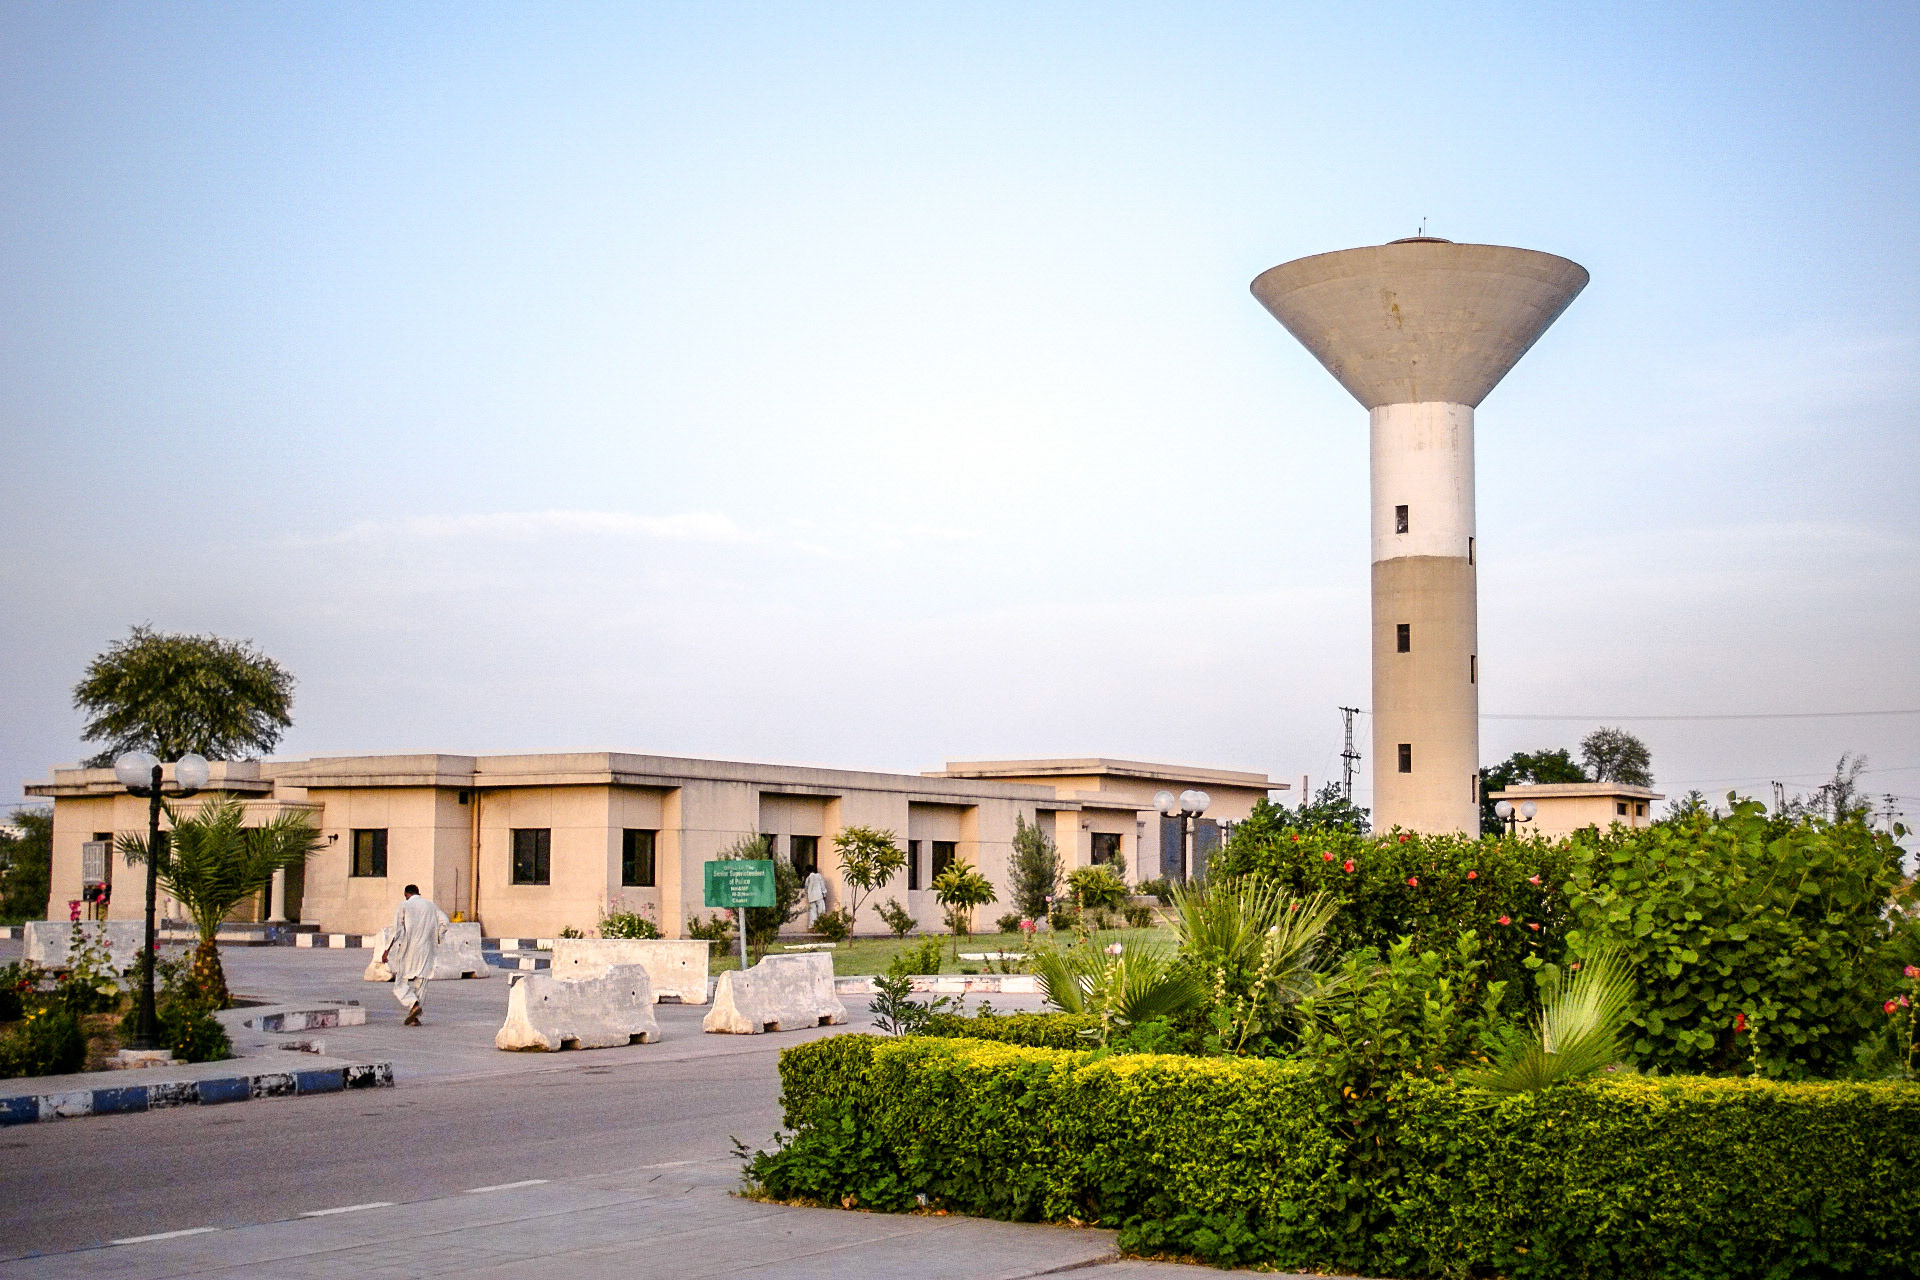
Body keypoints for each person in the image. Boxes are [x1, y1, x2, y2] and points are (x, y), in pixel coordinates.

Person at [381, 884, 448, 1027]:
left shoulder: (404, 906)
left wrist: (387, 950)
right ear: (418, 892)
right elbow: (445, 922)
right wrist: (438, 937)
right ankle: (415, 1016)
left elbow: (396, 931)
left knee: (400, 984)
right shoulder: (431, 906)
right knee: (421, 983)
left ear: (406, 894)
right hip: (427, 950)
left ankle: (413, 1004)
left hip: (409, 950)